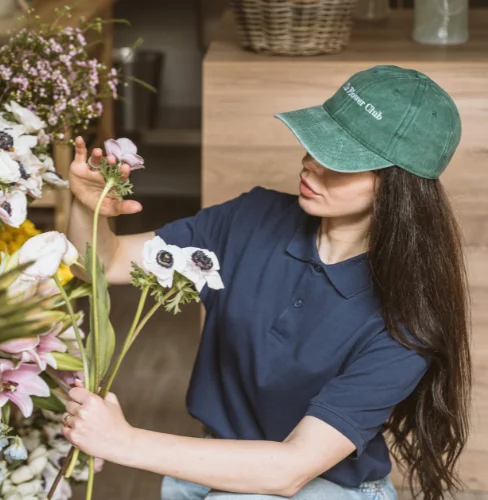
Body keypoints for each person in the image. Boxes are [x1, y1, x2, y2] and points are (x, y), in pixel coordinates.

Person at [60, 65, 472, 500]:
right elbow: (105, 265)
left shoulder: (405, 321)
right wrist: (89, 207)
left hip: (322, 487)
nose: (311, 163)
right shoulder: (251, 219)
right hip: (214, 470)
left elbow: (290, 469)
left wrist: (122, 441)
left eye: (338, 159)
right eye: (317, 142)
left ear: (396, 189)